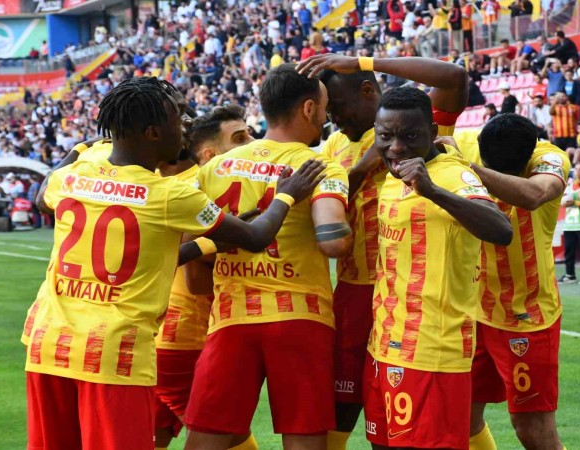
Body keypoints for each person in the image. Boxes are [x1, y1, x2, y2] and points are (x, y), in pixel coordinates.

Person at [23, 77, 325, 450]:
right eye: (177, 119)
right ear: (153, 132)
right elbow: (257, 236)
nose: (185, 128)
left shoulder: (78, 170)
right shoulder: (170, 194)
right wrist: (286, 196)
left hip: (47, 344)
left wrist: (79, 148)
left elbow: (43, 196)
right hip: (112, 351)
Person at [295, 53, 469, 450]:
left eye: (337, 107)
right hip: (355, 290)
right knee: (343, 406)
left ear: (367, 90)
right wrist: (361, 168)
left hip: (415, 300)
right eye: (327, 111)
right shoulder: (334, 145)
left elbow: (454, 78)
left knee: (428, 417)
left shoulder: (413, 129)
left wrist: (362, 61)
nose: (332, 118)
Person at [184, 64, 353, 450]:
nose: (326, 115)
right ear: (309, 109)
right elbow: (332, 241)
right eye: (324, 106)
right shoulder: (320, 166)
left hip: (231, 317)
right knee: (304, 439)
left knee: (207, 438)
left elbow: (193, 253)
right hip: (301, 316)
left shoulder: (214, 167)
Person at [364, 86, 513, 450]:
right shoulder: (390, 177)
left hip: (432, 352)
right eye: (386, 136)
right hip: (383, 344)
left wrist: (432, 191)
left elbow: (501, 229)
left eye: (410, 136)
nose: (396, 147)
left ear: (432, 133)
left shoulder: (451, 175)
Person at [153, 105, 257, 450]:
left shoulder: (169, 182)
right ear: (209, 153)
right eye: (240, 138)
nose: (253, 145)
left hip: (162, 333)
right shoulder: (196, 187)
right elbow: (196, 281)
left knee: (152, 437)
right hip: (183, 337)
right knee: (225, 436)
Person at [467, 113, 571, 450]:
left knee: (532, 430)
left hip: (527, 316)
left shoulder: (550, 157)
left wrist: (472, 170)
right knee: (462, 417)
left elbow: (535, 194)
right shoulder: (469, 143)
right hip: (475, 310)